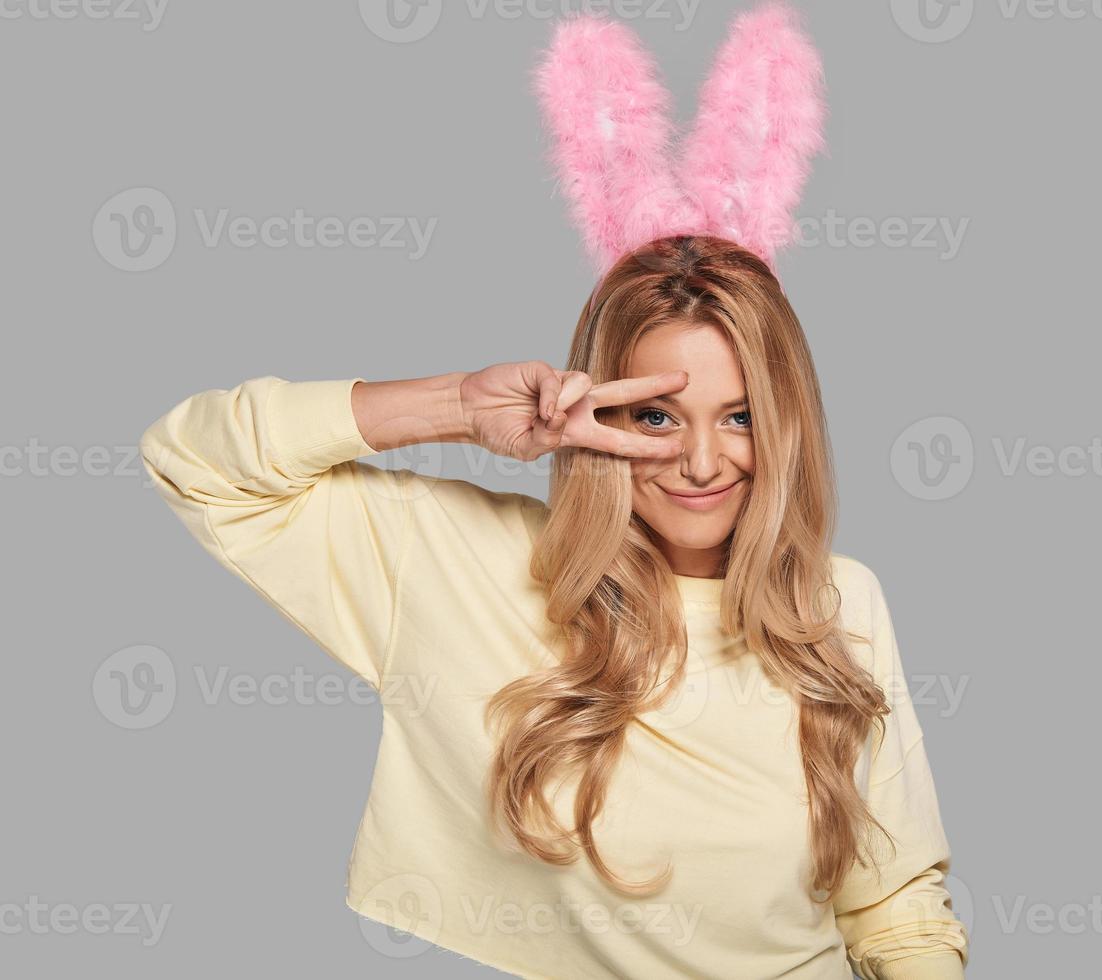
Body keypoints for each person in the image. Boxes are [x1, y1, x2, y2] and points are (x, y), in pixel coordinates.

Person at [139, 234, 970, 978]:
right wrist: (457, 406)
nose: (702, 461)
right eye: (656, 415)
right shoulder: (462, 559)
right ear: (599, 412)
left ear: (787, 424)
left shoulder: (839, 602)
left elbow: (893, 904)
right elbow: (194, 462)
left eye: (741, 417)